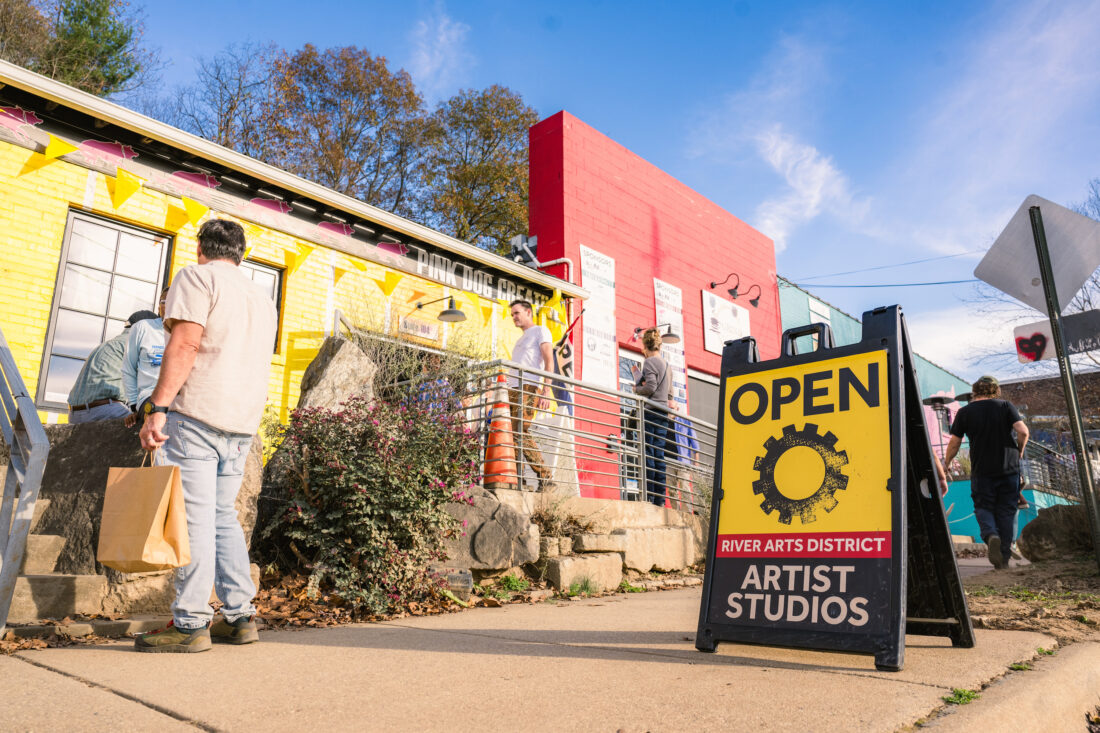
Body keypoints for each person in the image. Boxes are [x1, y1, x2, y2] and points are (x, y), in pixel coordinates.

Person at [134, 219, 277, 653]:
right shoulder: (262, 297)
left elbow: (185, 344)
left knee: (196, 520)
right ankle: (239, 616)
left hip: (197, 416)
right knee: (221, 517)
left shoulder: (196, 277)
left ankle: (191, 623)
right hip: (241, 424)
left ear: (200, 249)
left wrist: (156, 407)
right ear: (241, 253)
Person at [943, 375, 1029, 570]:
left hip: (982, 466)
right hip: (1009, 463)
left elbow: (955, 442)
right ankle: (1004, 559)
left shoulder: (965, 412)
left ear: (975, 391)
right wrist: (1020, 451)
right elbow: (1023, 431)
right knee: (1007, 510)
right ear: (996, 390)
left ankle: (991, 535)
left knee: (984, 506)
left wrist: (947, 462)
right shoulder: (1005, 406)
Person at [67, 311, 158, 424]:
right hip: (104, 411)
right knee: (152, 424)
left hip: (74, 414)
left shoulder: (107, 345)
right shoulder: (138, 344)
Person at [507, 299, 556, 492]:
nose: (514, 317)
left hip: (528, 388)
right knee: (512, 435)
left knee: (520, 432)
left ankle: (546, 478)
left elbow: (549, 361)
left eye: (517, 313)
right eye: (512, 315)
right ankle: (520, 481)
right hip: (513, 389)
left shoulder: (540, 331)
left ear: (528, 312)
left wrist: (545, 391)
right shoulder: (521, 338)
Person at [634, 328, 672, 507]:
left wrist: (636, 389)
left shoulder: (649, 363)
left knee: (648, 454)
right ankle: (660, 500)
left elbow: (650, 386)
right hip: (663, 414)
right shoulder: (667, 365)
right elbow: (670, 394)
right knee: (659, 456)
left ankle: (648, 497)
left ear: (645, 346)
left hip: (650, 412)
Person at [123, 287, 169, 427]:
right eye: (163, 301)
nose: (166, 305)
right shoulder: (142, 328)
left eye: (171, 300)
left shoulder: (188, 333)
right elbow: (128, 369)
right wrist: (134, 407)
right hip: (150, 397)